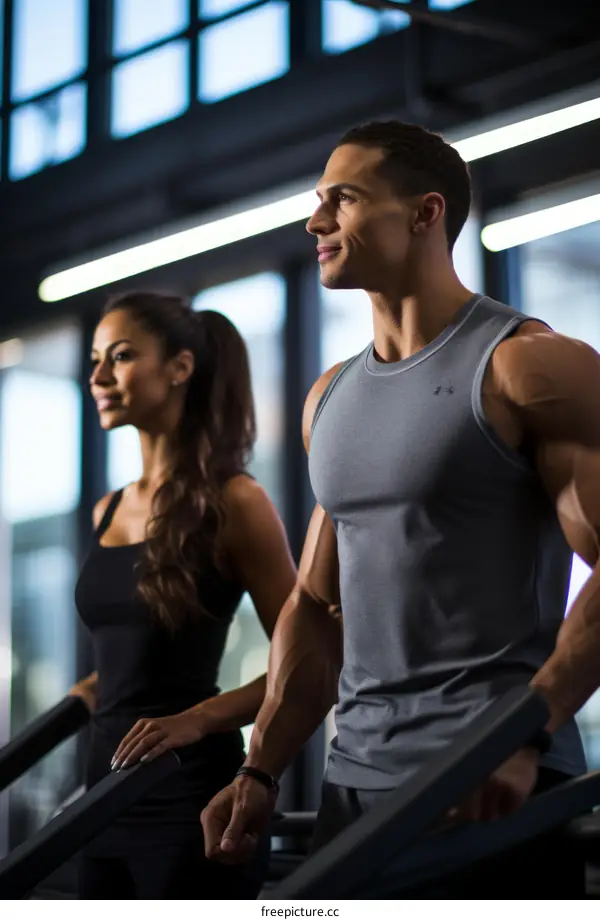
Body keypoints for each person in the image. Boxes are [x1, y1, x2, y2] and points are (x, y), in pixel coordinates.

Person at [200, 120, 600, 898]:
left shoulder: (528, 365)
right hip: (355, 788)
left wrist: (527, 730)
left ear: (425, 213)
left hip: (493, 776)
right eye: (318, 203)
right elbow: (315, 607)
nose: (316, 222)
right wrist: (261, 767)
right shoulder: (330, 399)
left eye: (341, 201)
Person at [69, 291, 297, 899]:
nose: (97, 376)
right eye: (96, 359)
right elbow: (131, 647)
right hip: (100, 792)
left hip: (187, 799)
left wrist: (196, 719)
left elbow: (306, 658)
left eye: (119, 357)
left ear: (179, 367)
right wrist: (100, 686)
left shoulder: (235, 501)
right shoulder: (105, 510)